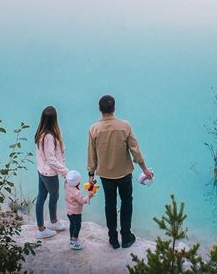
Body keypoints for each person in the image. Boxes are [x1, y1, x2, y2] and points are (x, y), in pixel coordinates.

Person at [87, 94, 152, 249]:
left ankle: (113, 238)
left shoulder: (94, 128)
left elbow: (91, 153)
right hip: (124, 173)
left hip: (105, 175)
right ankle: (126, 236)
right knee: (127, 201)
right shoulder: (125, 126)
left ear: (99, 109)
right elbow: (135, 150)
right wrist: (145, 170)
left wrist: (91, 175)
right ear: (114, 108)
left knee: (109, 203)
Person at [34, 105, 69, 239]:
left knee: (41, 197)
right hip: (49, 173)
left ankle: (42, 227)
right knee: (54, 196)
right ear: (54, 120)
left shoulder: (40, 133)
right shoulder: (49, 137)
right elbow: (51, 159)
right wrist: (66, 172)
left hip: (41, 170)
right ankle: (51, 222)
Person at [64, 170, 96, 250]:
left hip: (69, 211)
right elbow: (82, 200)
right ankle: (74, 241)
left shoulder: (67, 185)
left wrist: (91, 185)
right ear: (78, 182)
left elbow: (67, 180)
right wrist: (89, 196)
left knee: (72, 224)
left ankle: (71, 238)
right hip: (76, 213)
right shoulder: (76, 192)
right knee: (77, 226)